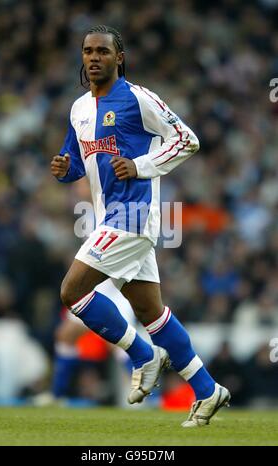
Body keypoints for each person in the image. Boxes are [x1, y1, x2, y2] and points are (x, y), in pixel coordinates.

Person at [51, 25, 230, 427]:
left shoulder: (137, 97)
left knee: (72, 291)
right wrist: (64, 169)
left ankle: (143, 354)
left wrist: (140, 166)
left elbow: (187, 139)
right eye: (87, 51)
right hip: (106, 215)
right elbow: (77, 161)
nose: (94, 57)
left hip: (135, 214)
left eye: (102, 51)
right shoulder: (79, 109)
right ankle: (207, 389)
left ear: (120, 57)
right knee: (151, 311)